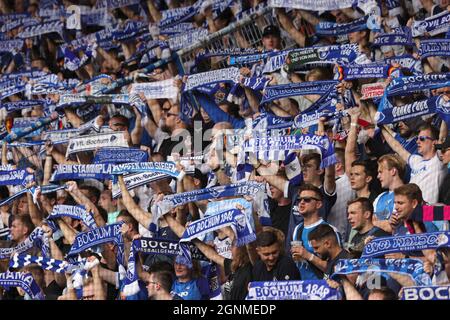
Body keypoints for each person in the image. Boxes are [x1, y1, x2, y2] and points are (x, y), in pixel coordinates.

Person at [290, 184, 341, 280]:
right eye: (299, 200)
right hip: (302, 288)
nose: (301, 203)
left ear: (319, 204)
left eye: (307, 200)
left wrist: (308, 256)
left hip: (323, 288)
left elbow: (339, 268)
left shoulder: (330, 230)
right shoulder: (297, 229)